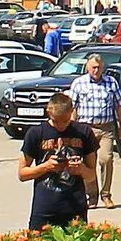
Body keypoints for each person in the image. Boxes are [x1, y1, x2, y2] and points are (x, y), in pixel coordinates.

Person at [20, 90, 102, 231]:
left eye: (65, 121)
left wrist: (80, 169)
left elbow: (91, 176)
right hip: (45, 206)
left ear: (72, 112)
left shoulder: (83, 133)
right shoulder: (35, 133)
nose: (61, 126)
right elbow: (22, 174)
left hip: (75, 206)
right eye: (56, 121)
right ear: (49, 112)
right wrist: (46, 167)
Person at [67, 53, 121, 207]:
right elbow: (72, 107)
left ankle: (106, 195)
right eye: (93, 67)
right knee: (87, 162)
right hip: (85, 129)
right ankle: (91, 196)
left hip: (106, 128)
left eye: (99, 68)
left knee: (106, 159)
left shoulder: (111, 82)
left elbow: (119, 105)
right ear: (87, 67)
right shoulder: (79, 83)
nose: (96, 70)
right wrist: (71, 129)